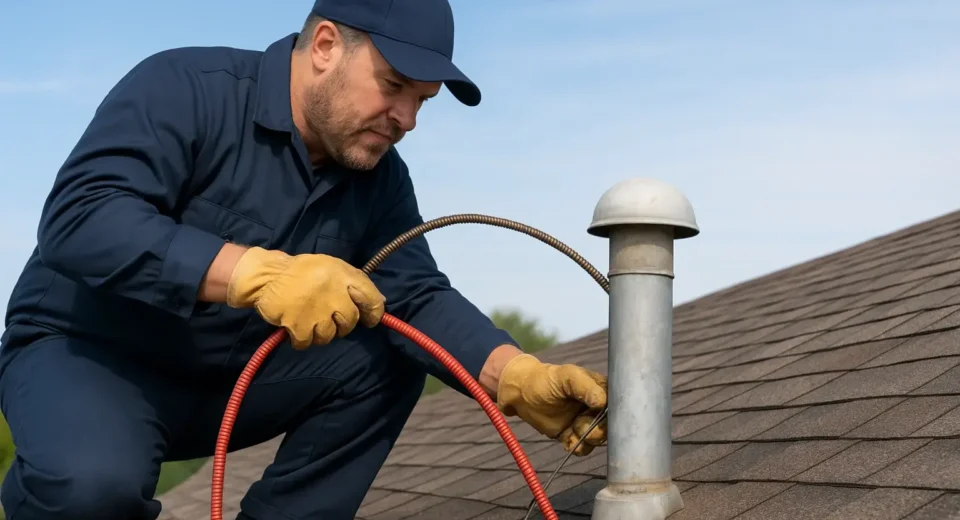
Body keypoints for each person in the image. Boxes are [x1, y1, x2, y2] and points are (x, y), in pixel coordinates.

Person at [0, 0, 608, 518]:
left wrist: (513, 375)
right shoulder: (184, 88)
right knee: (91, 489)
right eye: (394, 86)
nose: (408, 120)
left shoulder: (380, 180)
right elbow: (83, 217)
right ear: (323, 45)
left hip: (224, 383)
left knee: (390, 348)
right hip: (88, 359)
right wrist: (252, 273)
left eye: (422, 101)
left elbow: (416, 295)